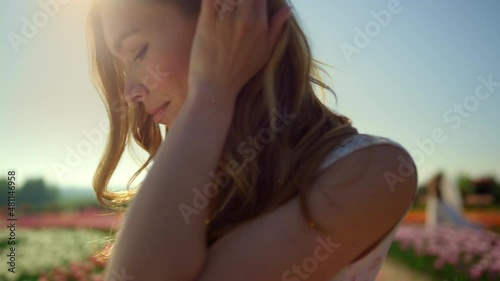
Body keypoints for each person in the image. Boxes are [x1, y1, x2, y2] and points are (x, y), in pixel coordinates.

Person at [86, 0, 418, 280]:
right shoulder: (198, 180)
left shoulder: (374, 171)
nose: (130, 92)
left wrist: (210, 94)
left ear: (227, 16)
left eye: (138, 51)